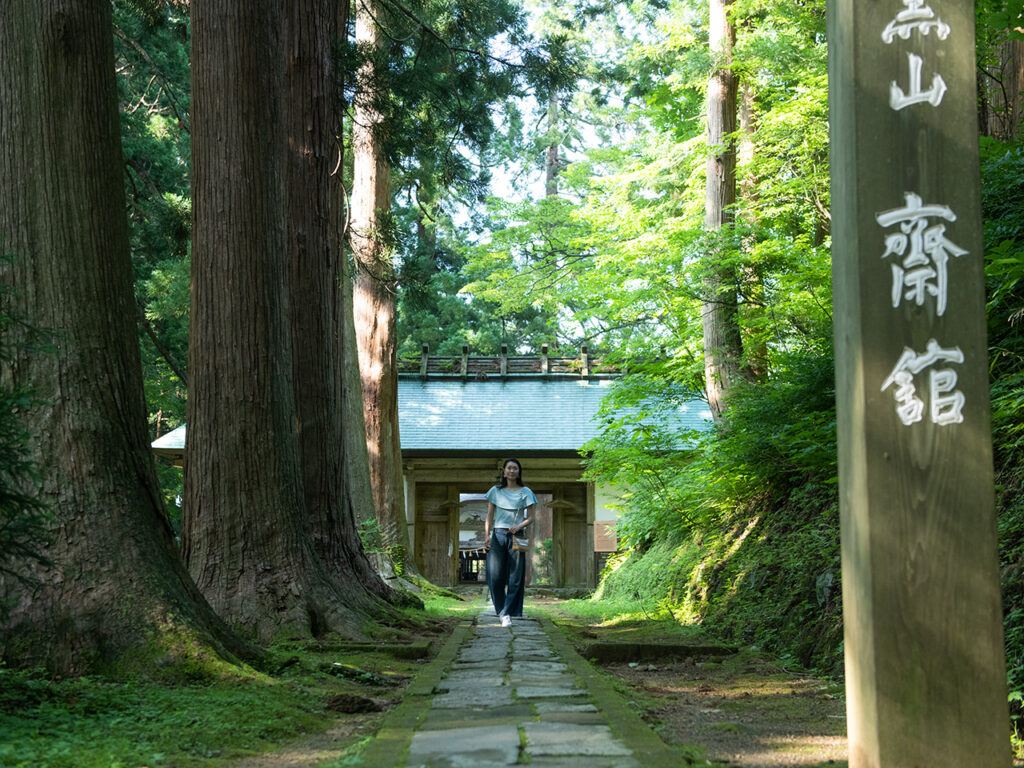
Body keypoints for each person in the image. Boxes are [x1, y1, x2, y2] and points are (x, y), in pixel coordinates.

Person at [484, 458, 537, 627]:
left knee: (515, 575)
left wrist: (519, 525)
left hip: (517, 535)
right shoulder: (495, 491)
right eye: (509, 468)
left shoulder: (526, 491)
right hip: (498, 534)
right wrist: (486, 535)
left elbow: (532, 517)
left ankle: (507, 612)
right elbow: (489, 516)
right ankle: (500, 610)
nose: (512, 471)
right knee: (495, 575)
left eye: (515, 468)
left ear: (519, 471)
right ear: (504, 471)